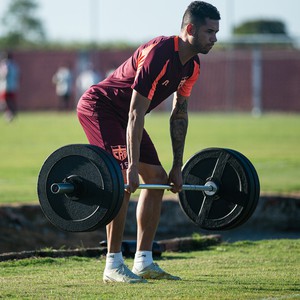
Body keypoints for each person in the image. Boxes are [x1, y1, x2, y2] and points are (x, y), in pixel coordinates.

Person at [77, 1, 220, 283]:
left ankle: (144, 261)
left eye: (216, 32)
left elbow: (179, 115)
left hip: (126, 117)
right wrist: (129, 167)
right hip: (100, 108)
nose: (215, 38)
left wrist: (178, 165)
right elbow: (134, 113)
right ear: (190, 29)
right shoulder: (160, 55)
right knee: (120, 183)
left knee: (157, 179)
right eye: (209, 32)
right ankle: (113, 265)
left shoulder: (192, 66)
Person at [0, 52, 20, 122]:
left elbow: (4, 74)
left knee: (4, 102)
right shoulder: (14, 65)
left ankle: (9, 114)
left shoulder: (5, 64)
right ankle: (12, 113)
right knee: (11, 101)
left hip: (5, 86)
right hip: (13, 86)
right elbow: (18, 75)